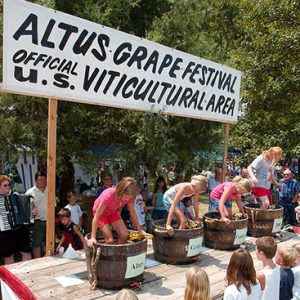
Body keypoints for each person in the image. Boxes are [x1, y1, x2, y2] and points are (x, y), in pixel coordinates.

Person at [87, 177, 145, 246]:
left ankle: (117, 254)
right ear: (120, 191)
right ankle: (106, 255)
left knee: (124, 235)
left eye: (129, 197)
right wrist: (93, 237)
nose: (127, 199)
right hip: (101, 214)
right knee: (109, 240)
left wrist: (139, 229)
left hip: (112, 212)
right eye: (126, 196)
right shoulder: (108, 195)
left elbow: (132, 213)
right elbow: (97, 216)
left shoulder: (130, 196)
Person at [0, 175, 31, 264]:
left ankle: (26, 272)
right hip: (6, 231)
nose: (8, 187)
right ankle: (11, 276)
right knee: (9, 255)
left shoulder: (15, 195)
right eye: (5, 185)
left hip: (20, 229)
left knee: (26, 252)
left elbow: (27, 208)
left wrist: (32, 211)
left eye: (9, 185)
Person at [25, 171, 47, 258]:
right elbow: (25, 209)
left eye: (44, 179)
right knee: (36, 244)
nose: (42, 182)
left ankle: (48, 261)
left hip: (49, 221)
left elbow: (53, 206)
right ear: (36, 180)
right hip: (36, 222)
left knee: (48, 242)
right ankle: (37, 262)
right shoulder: (30, 192)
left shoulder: (50, 190)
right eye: (40, 180)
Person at [256, 236, 280, 300]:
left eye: (256, 249)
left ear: (261, 253)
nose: (255, 252)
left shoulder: (260, 274)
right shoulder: (278, 268)